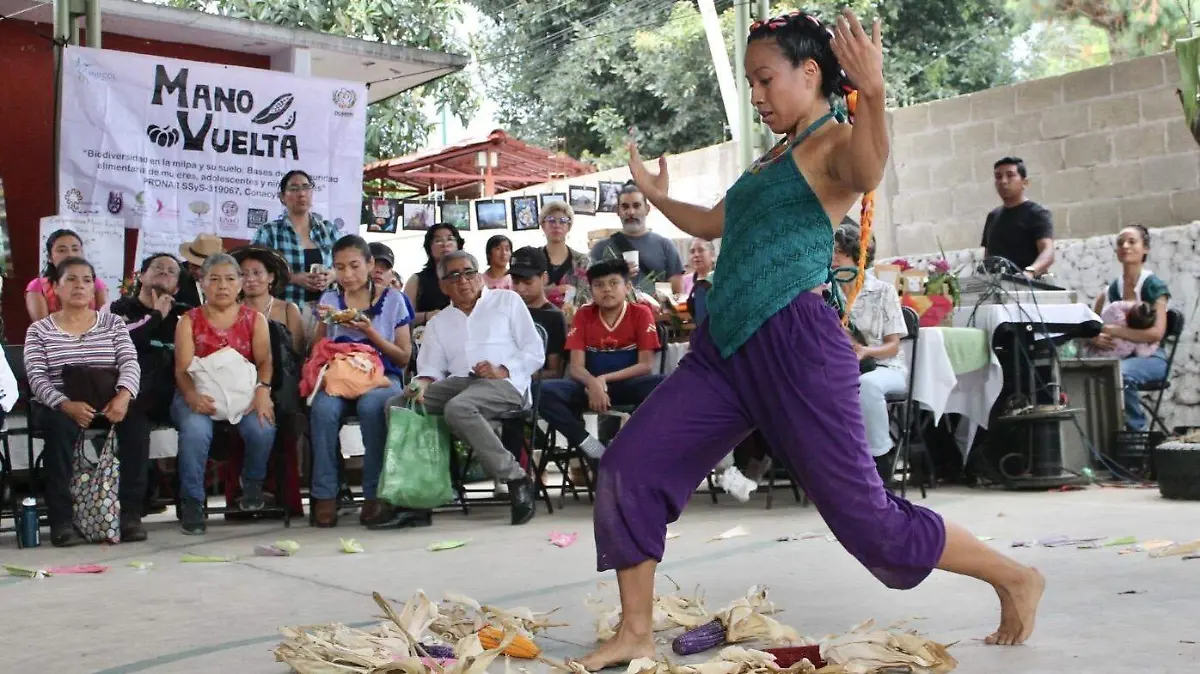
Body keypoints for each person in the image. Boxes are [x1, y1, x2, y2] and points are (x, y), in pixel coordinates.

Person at [574, 11, 1044, 670]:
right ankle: (634, 631)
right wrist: (657, 199)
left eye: (765, 79)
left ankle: (1014, 576)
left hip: (796, 347)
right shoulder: (772, 158)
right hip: (723, 353)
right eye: (750, 82)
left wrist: (873, 92)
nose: (757, 95)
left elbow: (869, 169)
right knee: (632, 465)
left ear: (811, 72)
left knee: (869, 524)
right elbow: (712, 221)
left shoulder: (834, 143)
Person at [387, 251, 543, 529]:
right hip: (460, 383)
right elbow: (431, 368)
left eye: (469, 273)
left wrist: (503, 369)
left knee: (459, 408)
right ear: (443, 285)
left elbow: (534, 351)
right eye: (454, 276)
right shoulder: (439, 322)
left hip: (506, 383)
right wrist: (421, 383)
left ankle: (516, 478)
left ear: (480, 276)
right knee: (398, 405)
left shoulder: (506, 301)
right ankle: (417, 497)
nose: (463, 281)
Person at [24, 257, 146, 546]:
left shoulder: (113, 324)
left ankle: (130, 516)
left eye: (87, 280)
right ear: (55, 287)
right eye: (71, 279)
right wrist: (64, 404)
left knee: (137, 426)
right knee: (59, 430)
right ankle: (62, 521)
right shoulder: (39, 330)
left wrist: (123, 396)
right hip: (60, 405)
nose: (79, 286)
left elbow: (130, 362)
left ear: (94, 288)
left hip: (109, 400)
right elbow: (36, 377)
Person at [308, 235, 413, 528]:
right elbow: (317, 348)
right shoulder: (330, 300)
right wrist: (329, 339)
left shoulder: (393, 299)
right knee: (323, 410)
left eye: (355, 266)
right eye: (340, 267)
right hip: (340, 374)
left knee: (372, 408)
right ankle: (325, 494)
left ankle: (374, 493)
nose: (348, 275)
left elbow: (403, 357)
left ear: (370, 264)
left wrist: (370, 333)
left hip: (382, 375)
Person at [172, 253, 275, 535]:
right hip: (198, 392)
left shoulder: (254, 319)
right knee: (195, 431)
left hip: (244, 394)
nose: (222, 286)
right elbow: (182, 370)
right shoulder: (189, 320)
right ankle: (192, 501)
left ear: (240, 283)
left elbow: (265, 362)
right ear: (202, 283)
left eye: (230, 279)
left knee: (263, 427)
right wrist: (192, 397)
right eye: (214, 279)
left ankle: (252, 485)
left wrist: (263, 391)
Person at [538, 260, 663, 460]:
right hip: (588, 389)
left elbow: (645, 365)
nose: (606, 289)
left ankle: (634, 446)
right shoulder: (583, 315)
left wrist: (602, 380)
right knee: (539, 391)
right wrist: (592, 383)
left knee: (666, 385)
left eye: (613, 283)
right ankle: (586, 443)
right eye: (599, 285)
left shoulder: (641, 313)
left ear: (627, 287)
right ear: (591, 290)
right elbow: (576, 367)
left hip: (627, 386)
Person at [832, 223, 908, 470]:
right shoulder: (827, 294)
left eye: (839, 252)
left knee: (867, 385)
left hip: (886, 367)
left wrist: (865, 352)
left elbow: (893, 347)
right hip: (841, 368)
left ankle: (880, 460)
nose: (833, 258)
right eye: (831, 251)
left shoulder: (883, 291)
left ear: (857, 255)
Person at [1089, 224, 1172, 431]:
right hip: (1117, 357)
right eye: (1120, 243)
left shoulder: (1153, 286)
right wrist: (1094, 337)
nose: (1125, 246)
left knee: (1120, 374)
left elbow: (1156, 333)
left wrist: (1113, 330)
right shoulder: (1110, 291)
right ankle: (1105, 435)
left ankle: (1138, 434)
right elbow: (1091, 326)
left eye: (1132, 242)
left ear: (1145, 249)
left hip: (1152, 359)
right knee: (1089, 377)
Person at [251, 170, 338, 335]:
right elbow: (255, 271)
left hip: (325, 314)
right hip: (283, 313)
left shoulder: (328, 230)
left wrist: (332, 275)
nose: (301, 193)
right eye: (294, 188)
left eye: (306, 187)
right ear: (282, 197)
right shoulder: (269, 232)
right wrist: (294, 278)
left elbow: (345, 265)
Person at [590, 182, 685, 296]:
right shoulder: (600, 249)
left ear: (647, 209)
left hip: (656, 307)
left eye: (636, 206)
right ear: (617, 211)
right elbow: (589, 288)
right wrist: (617, 276)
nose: (631, 212)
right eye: (625, 207)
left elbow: (678, 294)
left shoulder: (666, 246)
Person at [981, 157, 1055, 278]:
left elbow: (1048, 252)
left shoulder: (1038, 213)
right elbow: (988, 256)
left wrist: (1029, 272)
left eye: (1010, 175)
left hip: (1029, 285)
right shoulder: (993, 216)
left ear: (1024, 182)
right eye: (998, 177)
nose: (1003, 181)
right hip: (996, 285)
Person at [232, 246, 306, 355]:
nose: (250, 279)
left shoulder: (289, 310)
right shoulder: (231, 311)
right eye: (244, 274)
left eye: (257, 273)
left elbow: (299, 354)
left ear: (271, 277)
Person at [510, 246, 567, 379]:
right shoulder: (508, 312)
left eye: (528, 282)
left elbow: (555, 372)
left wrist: (514, 376)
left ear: (544, 278)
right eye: (515, 282)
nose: (520, 288)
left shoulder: (554, 317)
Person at [26, 229, 109, 322]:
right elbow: (43, 327)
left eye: (75, 249)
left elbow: (105, 321)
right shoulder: (38, 286)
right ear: (49, 257)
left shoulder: (96, 283)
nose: (70, 254)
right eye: (62, 250)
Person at [404, 223, 465, 327]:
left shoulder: (470, 277)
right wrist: (427, 315)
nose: (445, 244)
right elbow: (402, 317)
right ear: (429, 248)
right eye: (438, 240)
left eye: (450, 239)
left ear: (458, 245)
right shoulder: (417, 280)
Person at [539, 201, 592, 309]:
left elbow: (587, 297)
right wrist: (558, 290)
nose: (557, 225)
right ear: (543, 225)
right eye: (551, 220)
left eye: (563, 221)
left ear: (569, 226)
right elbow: (525, 292)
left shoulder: (582, 261)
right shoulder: (533, 258)